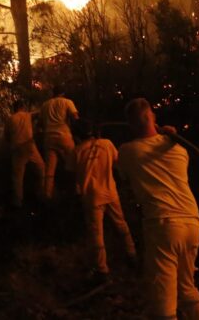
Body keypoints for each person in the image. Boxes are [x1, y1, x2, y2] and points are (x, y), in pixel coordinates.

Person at [118, 98, 199, 320]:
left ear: (131, 125)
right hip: (192, 220)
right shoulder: (179, 149)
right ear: (154, 118)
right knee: (187, 287)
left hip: (164, 224)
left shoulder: (127, 151)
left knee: (163, 305)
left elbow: (124, 178)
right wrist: (167, 135)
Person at [69, 119, 137, 283]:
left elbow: (71, 173)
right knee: (121, 224)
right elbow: (117, 163)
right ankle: (132, 255)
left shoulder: (76, 151)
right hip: (110, 192)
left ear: (76, 135)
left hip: (92, 196)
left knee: (96, 233)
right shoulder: (107, 144)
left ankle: (102, 270)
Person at [40, 85, 79, 199]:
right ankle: (78, 190)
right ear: (63, 93)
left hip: (48, 138)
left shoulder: (45, 105)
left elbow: (40, 123)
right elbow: (75, 117)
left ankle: (47, 194)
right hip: (64, 135)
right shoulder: (67, 102)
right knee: (74, 164)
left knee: (50, 169)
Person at [4, 99, 45, 208]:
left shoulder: (10, 119)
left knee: (17, 178)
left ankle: (18, 203)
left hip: (17, 148)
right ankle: (41, 194)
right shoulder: (28, 115)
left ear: (14, 108)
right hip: (29, 146)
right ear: (22, 107)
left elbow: (7, 136)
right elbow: (38, 114)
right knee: (41, 169)